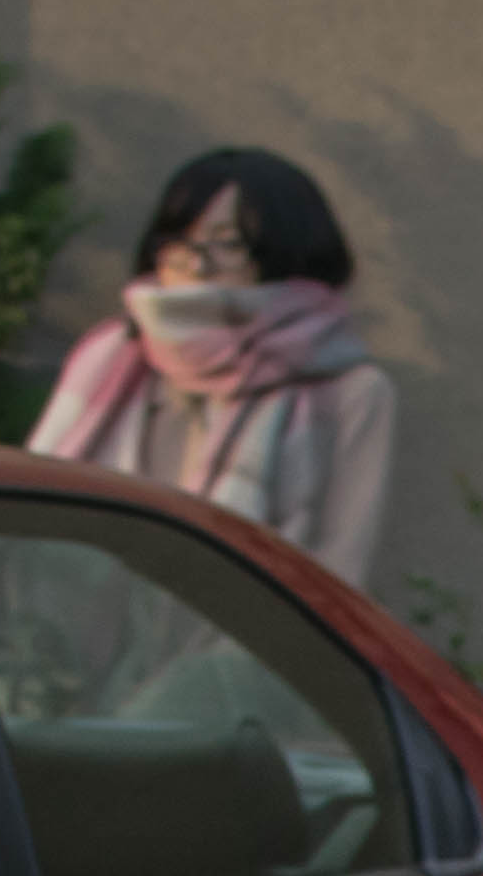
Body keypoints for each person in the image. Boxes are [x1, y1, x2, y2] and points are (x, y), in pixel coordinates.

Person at [27, 148, 400, 584]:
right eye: (178, 237)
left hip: (236, 639)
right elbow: (24, 499)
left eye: (227, 243)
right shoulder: (112, 352)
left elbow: (338, 567)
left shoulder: (350, 393)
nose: (194, 262)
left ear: (286, 250)